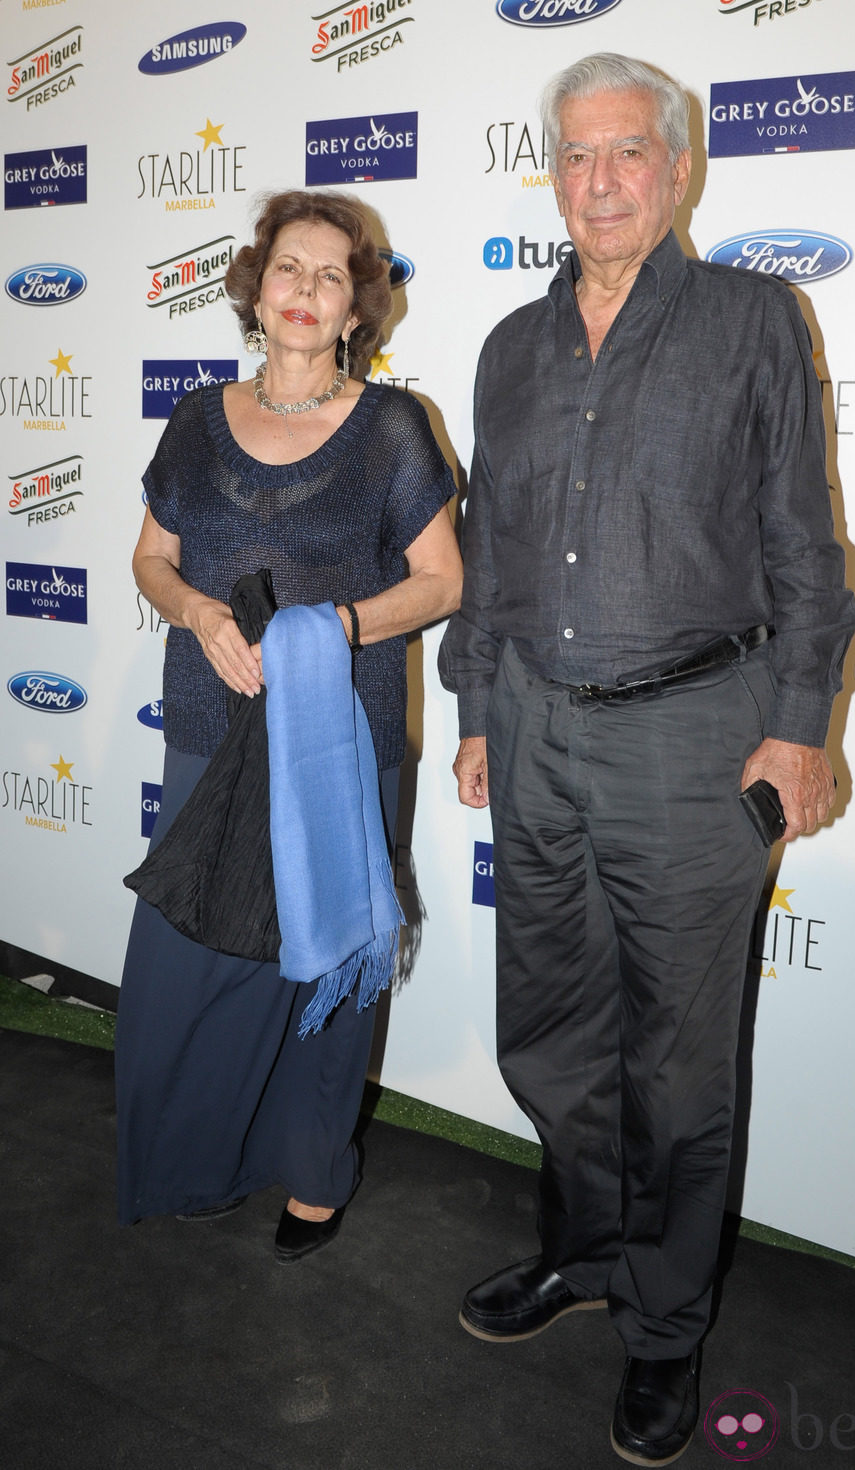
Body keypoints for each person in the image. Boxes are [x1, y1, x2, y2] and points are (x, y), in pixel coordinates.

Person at [438, 53, 855, 1466]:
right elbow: (490, 554)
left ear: (676, 170)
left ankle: (667, 1327)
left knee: (679, 1065)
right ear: (549, 174)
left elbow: (806, 544)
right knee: (550, 1031)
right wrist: (480, 707)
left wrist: (797, 723)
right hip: (540, 725)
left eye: (627, 153)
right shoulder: (508, 345)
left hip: (696, 734)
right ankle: (588, 1251)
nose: (600, 180)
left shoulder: (749, 318)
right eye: (574, 156)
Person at [116, 189, 462, 1261]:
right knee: (186, 958)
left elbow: (442, 583)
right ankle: (189, 1156)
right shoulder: (194, 419)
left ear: (357, 308)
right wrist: (197, 610)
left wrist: (338, 626)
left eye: (329, 276)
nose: (305, 291)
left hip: (339, 737)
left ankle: (313, 1175)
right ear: (252, 292)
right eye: (287, 270)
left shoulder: (393, 430)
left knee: (322, 960)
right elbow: (150, 558)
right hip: (206, 730)